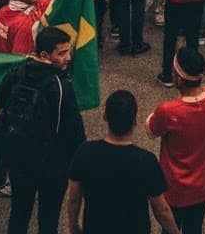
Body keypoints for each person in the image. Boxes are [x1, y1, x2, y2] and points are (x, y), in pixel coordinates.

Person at [0, 26, 85, 234]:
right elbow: (76, 134)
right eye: (62, 53)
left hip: (19, 160)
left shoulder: (17, 73)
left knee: (19, 213)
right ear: (45, 55)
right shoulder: (61, 86)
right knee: (48, 219)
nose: (68, 58)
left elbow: (1, 103)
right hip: (52, 166)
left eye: (68, 51)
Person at [66, 90, 179, 234]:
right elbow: (161, 210)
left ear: (105, 116)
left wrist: (73, 225)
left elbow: (73, 198)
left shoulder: (85, 152)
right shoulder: (146, 161)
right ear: (135, 122)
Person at [145, 47, 205, 234]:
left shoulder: (168, 111)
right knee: (194, 228)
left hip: (175, 188)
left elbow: (150, 130)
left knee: (170, 228)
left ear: (179, 79)